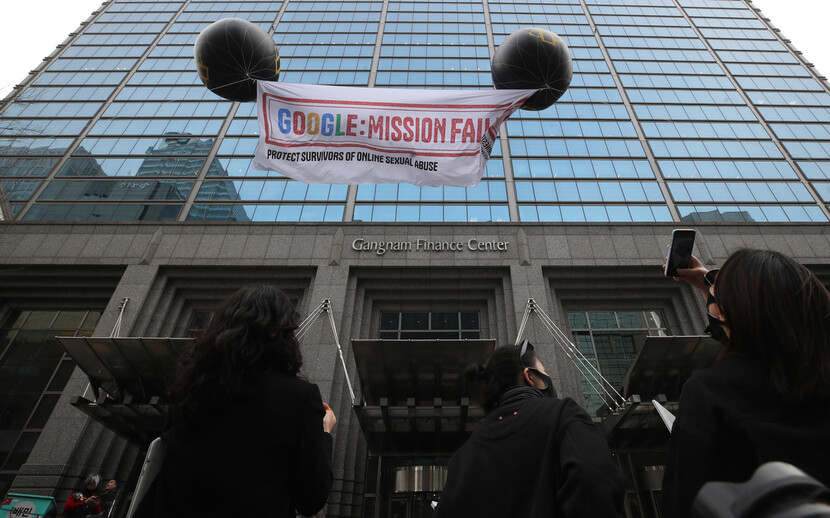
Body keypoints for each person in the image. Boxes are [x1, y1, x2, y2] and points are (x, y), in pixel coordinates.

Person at [137, 285, 336, 517]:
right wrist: (324, 434)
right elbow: (311, 499)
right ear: (283, 334)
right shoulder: (299, 397)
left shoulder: (191, 388)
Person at [663, 249, 830, 518]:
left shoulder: (712, 393)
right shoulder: (813, 378)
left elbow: (684, 501)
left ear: (725, 311)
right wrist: (710, 285)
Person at [435, 340, 625, 518]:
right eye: (544, 371)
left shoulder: (463, 456)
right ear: (529, 376)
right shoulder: (563, 415)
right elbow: (595, 485)